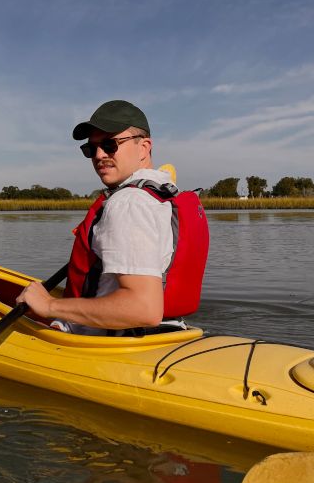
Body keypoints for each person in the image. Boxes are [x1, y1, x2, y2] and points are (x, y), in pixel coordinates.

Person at [16, 100, 208, 335]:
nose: (99, 155)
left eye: (110, 144)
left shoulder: (128, 203)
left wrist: (49, 305)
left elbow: (143, 308)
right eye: (91, 149)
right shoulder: (162, 194)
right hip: (168, 331)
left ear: (144, 148)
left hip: (110, 342)